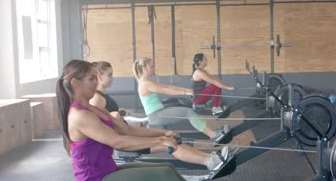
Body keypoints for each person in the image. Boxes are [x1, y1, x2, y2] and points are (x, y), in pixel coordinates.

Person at [55, 59, 242, 181]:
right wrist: (160, 140)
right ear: (74, 83)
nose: (96, 82)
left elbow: (127, 129)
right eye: (91, 79)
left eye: (96, 78)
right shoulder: (79, 115)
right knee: (163, 176)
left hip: (106, 174)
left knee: (167, 170)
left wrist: (163, 132)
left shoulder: (93, 109)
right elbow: (119, 142)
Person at [90, 61, 232, 171]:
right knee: (169, 143)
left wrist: (117, 113)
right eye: (109, 75)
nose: (113, 78)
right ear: (99, 77)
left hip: (128, 134)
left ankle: (211, 158)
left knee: (171, 140)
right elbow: (99, 128)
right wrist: (112, 117)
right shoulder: (97, 98)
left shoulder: (102, 96)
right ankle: (210, 160)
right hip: (125, 141)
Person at [134, 57, 230, 143]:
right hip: (156, 115)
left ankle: (210, 131)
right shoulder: (145, 83)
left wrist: (186, 90)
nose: (154, 69)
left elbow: (166, 86)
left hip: (159, 112)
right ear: (144, 69)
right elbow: (166, 90)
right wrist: (185, 93)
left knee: (188, 109)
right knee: (188, 112)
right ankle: (212, 134)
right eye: (152, 67)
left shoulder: (147, 81)